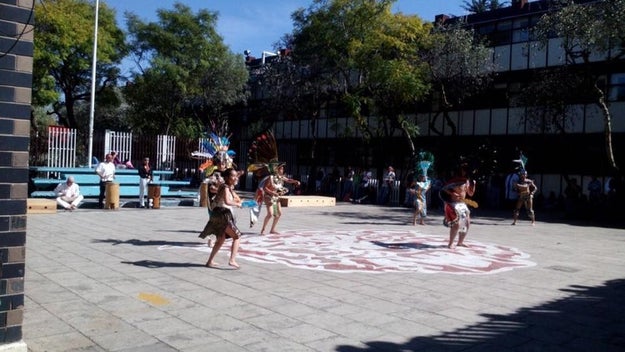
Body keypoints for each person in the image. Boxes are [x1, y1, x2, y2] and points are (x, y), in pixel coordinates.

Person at [201, 168, 243, 269]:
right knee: (237, 236)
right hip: (223, 215)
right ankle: (232, 260)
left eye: (235, 176)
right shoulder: (225, 187)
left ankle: (210, 261)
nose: (235, 178)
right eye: (233, 176)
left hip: (217, 214)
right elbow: (228, 202)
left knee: (221, 239)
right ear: (228, 178)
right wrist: (237, 204)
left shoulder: (226, 186)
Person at [259, 163, 300, 235]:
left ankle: (272, 229)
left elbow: (288, 180)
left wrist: (295, 181)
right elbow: (265, 188)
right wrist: (272, 192)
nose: (283, 170)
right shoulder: (271, 177)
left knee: (279, 213)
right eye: (281, 169)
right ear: (277, 170)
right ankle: (263, 229)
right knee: (270, 214)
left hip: (276, 196)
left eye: (283, 169)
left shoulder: (280, 177)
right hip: (268, 196)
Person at [440, 176, 476, 249]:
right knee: (456, 224)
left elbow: (470, 194)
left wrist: (474, 185)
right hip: (453, 203)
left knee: (466, 223)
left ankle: (460, 242)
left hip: (462, 204)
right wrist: (452, 193)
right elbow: (444, 189)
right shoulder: (456, 181)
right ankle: (450, 243)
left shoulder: (467, 182)